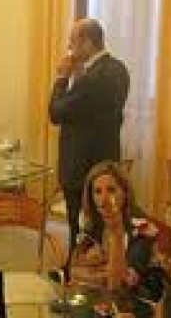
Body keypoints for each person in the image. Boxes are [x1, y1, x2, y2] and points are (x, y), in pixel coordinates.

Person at [49, 18, 130, 255]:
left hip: (81, 167)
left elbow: (56, 112)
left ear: (87, 43)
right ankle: (98, 262)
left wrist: (62, 78)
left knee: (81, 230)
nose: (69, 48)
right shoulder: (118, 69)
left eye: (72, 42)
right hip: (105, 162)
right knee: (102, 227)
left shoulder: (95, 77)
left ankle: (77, 267)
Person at [70, 163, 167, 317]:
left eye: (111, 190)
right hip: (102, 299)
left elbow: (120, 285)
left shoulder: (142, 228)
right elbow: (75, 271)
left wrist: (116, 234)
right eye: (97, 192)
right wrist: (90, 272)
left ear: (125, 193)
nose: (104, 199)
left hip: (141, 304)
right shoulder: (94, 223)